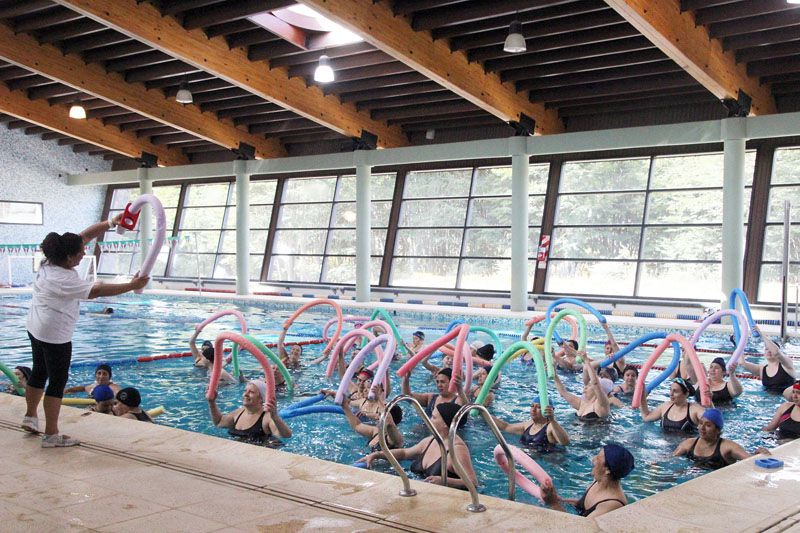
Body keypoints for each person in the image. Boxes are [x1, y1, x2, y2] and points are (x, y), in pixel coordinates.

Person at [23, 217, 148, 446]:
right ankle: (51, 434)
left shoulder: (51, 260)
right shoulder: (62, 279)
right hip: (55, 334)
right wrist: (132, 285)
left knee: (39, 372)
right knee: (57, 381)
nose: (83, 254)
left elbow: (85, 236)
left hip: (36, 326)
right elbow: (97, 290)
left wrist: (111, 222)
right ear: (69, 257)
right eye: (80, 253)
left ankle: (31, 417)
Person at [358, 402, 478, 490]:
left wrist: (445, 481)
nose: (430, 420)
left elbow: (473, 482)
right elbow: (405, 453)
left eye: (434, 417)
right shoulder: (431, 440)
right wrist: (376, 455)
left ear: (446, 424)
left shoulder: (457, 450)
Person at [542, 443, 634, 518]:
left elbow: (579, 528)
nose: (593, 459)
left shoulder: (612, 504)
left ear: (607, 470)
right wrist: (559, 500)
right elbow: (580, 505)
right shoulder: (599, 481)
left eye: (598, 458)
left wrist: (553, 504)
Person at [673, 409, 768, 469]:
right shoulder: (688, 444)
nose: (702, 428)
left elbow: (750, 460)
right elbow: (671, 461)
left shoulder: (727, 447)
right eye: (701, 423)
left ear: (717, 430)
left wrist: (760, 455)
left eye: (708, 425)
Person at [207, 379, 292, 445]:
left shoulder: (266, 417)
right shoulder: (238, 413)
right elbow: (218, 423)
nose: (246, 394)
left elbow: (286, 435)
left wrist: (275, 416)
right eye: (245, 391)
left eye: (251, 392)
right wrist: (212, 402)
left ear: (261, 398)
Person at [490, 398, 569, 452]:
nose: (533, 410)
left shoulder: (550, 426)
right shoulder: (529, 424)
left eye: (538, 407)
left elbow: (565, 442)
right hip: (526, 458)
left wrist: (552, 419)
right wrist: (485, 413)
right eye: (532, 406)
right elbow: (506, 427)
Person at [737, 326, 796, 392]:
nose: (769, 351)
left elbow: (776, 352)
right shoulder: (762, 369)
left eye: (770, 349)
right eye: (766, 349)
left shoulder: (787, 365)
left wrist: (761, 334)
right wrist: (739, 342)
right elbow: (742, 363)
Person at [639, 378, 705, 433]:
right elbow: (646, 417)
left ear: (686, 394)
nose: (671, 394)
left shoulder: (694, 409)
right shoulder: (665, 406)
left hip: (685, 447)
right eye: (670, 390)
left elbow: (712, 421)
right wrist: (642, 397)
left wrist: (710, 403)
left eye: (675, 391)